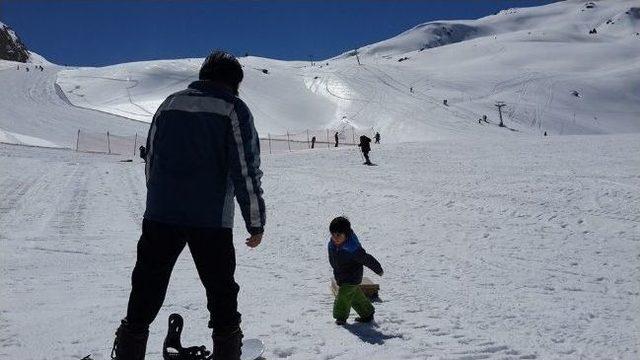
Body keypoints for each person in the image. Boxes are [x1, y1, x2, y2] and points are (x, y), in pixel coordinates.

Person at [111, 51, 266, 360]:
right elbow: (245, 168)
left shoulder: (168, 104)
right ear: (234, 82)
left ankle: (128, 349)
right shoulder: (233, 109)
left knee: (146, 287)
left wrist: (159, 199)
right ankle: (227, 352)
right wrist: (255, 221)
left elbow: (151, 159)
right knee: (221, 291)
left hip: (160, 216)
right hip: (210, 221)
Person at [328, 217, 383, 325]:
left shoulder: (352, 248)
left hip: (352, 276)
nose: (335, 238)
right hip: (341, 274)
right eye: (333, 235)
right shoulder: (333, 243)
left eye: (338, 235)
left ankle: (340, 317)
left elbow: (366, 258)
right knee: (354, 296)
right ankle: (367, 313)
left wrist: (378, 269)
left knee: (343, 296)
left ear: (346, 234)